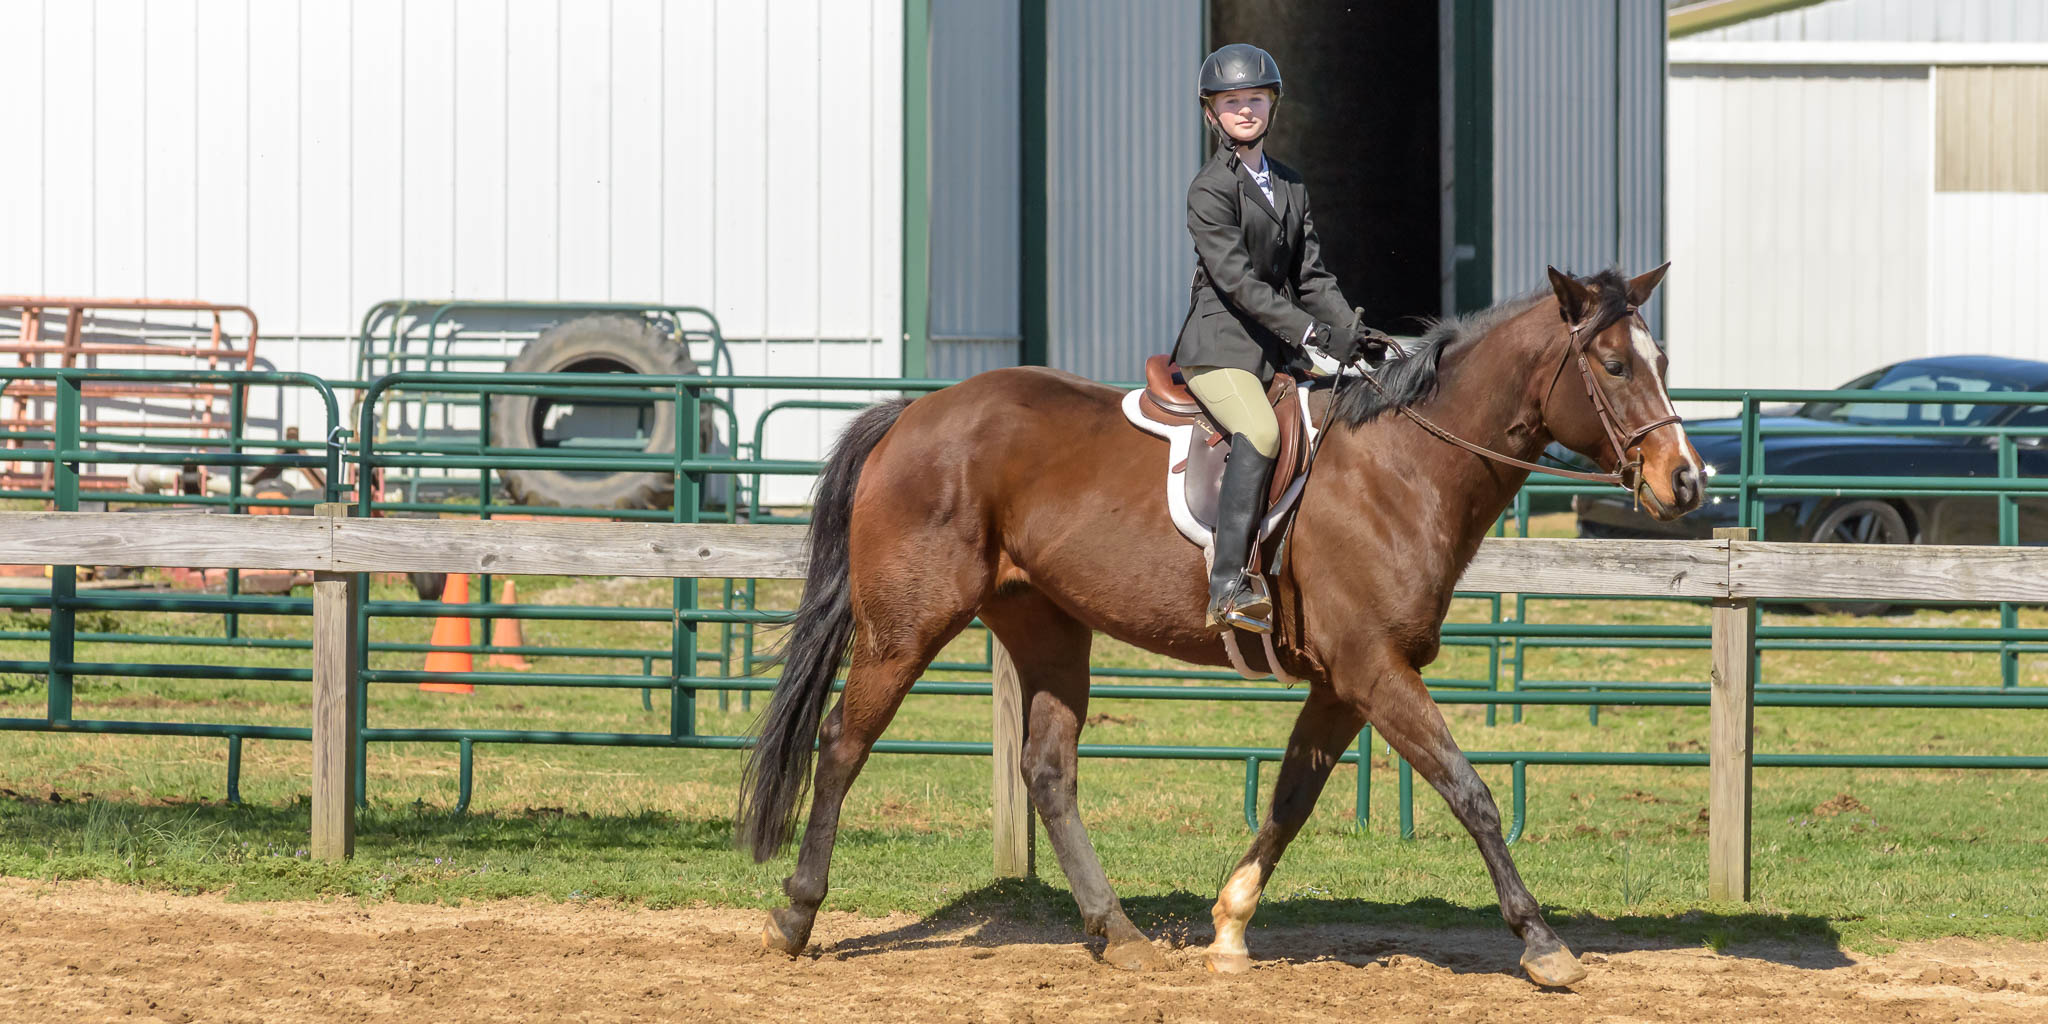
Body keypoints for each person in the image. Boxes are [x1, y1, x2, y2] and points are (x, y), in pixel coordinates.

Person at [1173, 42, 1371, 634]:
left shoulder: (1289, 184)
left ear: (1271, 106)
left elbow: (1310, 276)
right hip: (1220, 347)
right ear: (1213, 112)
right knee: (1258, 428)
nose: (1245, 110)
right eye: (1232, 101)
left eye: (1255, 99)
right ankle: (1228, 585)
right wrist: (1312, 332)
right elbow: (1235, 282)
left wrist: (1355, 334)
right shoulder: (1208, 189)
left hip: (1273, 349)